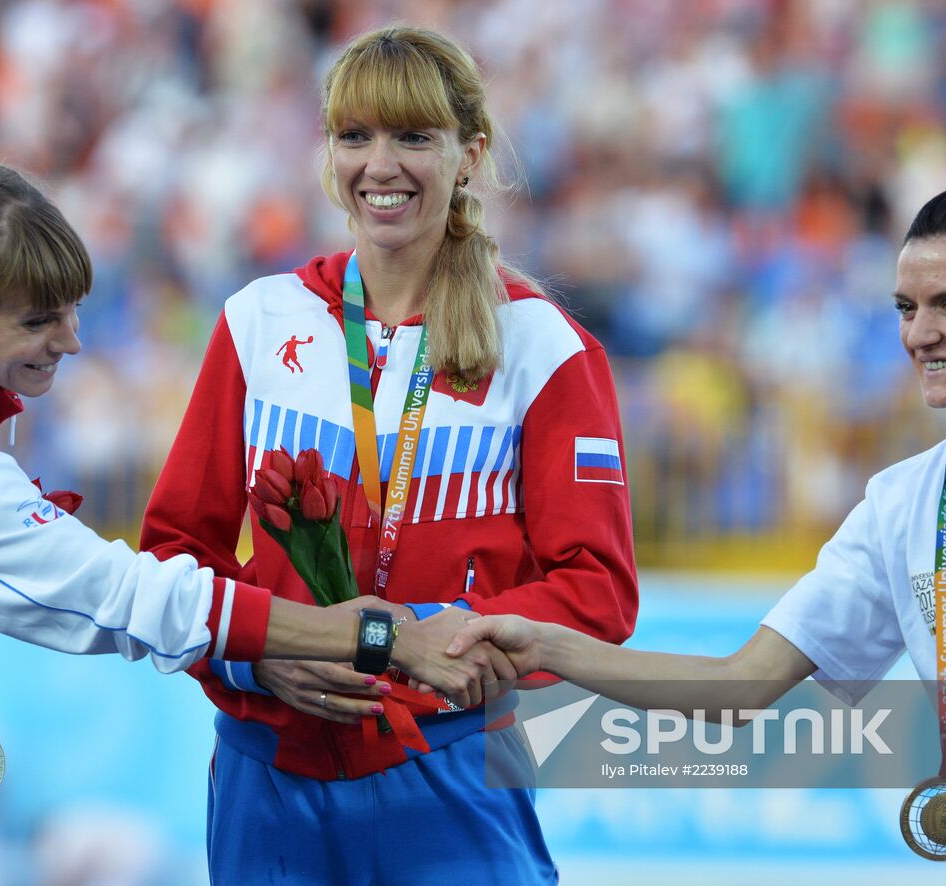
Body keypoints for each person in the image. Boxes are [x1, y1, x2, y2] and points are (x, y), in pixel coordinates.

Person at [0, 161, 497, 884]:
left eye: (74, 309)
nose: (71, 340)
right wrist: (379, 637)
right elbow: (134, 597)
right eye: (39, 320)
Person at [451, 182, 946, 883]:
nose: (919, 334)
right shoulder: (900, 506)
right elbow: (739, 688)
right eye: (907, 308)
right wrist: (547, 645)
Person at [141, 25, 638, 884]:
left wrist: (442, 634)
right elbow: (175, 552)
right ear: (328, 154)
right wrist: (259, 652)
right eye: (354, 136)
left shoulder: (543, 347)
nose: (381, 165)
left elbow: (599, 590)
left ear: (469, 154)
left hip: (450, 770)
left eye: (413, 136)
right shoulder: (259, 321)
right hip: (269, 772)